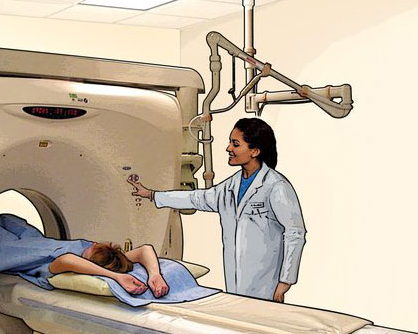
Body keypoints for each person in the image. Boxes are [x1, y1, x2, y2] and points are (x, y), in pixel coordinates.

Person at [129, 118, 306, 302]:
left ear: (255, 151)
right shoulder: (230, 186)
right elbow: (196, 198)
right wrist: (152, 195)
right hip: (235, 281)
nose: (228, 148)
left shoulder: (276, 186)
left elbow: (295, 232)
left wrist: (285, 281)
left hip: (267, 283)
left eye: (235, 144)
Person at [0, 214, 169, 298]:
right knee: (7, 219)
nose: (93, 244)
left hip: (13, 251)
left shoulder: (60, 266)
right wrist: (155, 275)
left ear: (90, 261)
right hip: (34, 240)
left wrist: (117, 277)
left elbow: (67, 260)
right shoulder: (109, 258)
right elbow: (144, 250)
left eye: (94, 248)